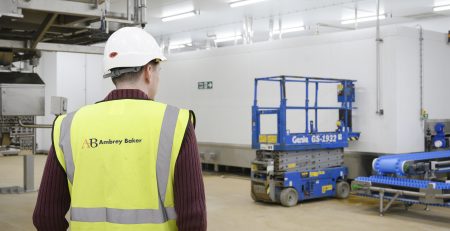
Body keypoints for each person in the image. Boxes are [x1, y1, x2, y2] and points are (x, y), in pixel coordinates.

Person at [33, 27, 207, 231]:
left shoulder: (70, 125)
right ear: (149, 72)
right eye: (158, 70)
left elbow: (46, 216)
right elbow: (193, 217)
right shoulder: (175, 122)